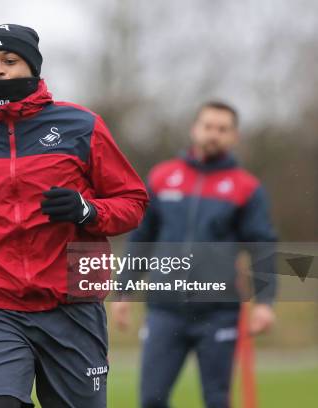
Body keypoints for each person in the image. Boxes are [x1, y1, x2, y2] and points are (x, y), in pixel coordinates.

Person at [0, 24, 148, 408]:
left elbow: (133, 201)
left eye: (9, 61)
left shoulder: (82, 126)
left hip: (72, 303)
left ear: (32, 67)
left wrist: (88, 210)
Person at [111, 101, 278, 408]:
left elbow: (262, 245)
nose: (213, 134)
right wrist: (123, 290)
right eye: (208, 126)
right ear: (194, 129)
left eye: (222, 129)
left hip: (218, 312)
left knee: (216, 400)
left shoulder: (246, 188)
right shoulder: (162, 177)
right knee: (151, 399)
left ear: (234, 137)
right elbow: (142, 237)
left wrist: (265, 303)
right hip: (164, 310)